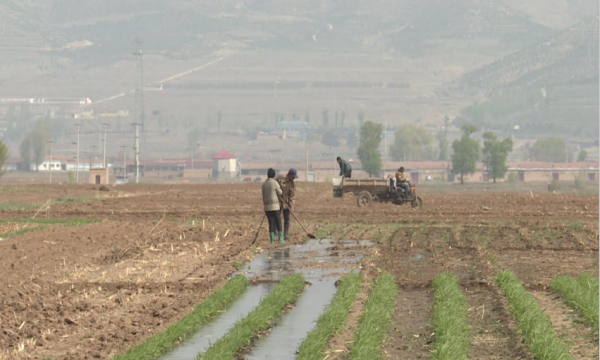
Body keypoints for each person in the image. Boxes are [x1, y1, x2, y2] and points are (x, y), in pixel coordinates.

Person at [262, 168, 284, 244]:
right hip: (275, 207)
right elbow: (280, 192)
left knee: (271, 223)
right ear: (274, 175)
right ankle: (280, 239)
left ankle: (272, 241)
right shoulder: (274, 183)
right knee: (278, 222)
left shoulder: (264, 184)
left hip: (267, 207)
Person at [277, 168, 298, 241]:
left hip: (286, 203)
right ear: (289, 174)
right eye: (293, 176)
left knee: (287, 219)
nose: (294, 178)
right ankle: (277, 234)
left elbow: (292, 196)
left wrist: (291, 207)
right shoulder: (280, 178)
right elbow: (274, 187)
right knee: (277, 219)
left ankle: (286, 234)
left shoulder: (293, 183)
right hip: (278, 202)